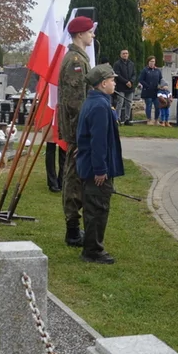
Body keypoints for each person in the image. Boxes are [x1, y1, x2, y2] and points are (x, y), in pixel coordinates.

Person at [76, 64, 124, 265]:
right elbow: (98, 141)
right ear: (103, 83)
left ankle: (91, 245)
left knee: (93, 207)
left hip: (90, 163)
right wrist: (101, 170)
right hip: (95, 167)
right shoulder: (99, 106)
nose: (114, 82)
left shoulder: (96, 101)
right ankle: (93, 250)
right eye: (112, 80)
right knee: (98, 208)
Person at [57, 16, 94, 247]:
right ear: (79, 34)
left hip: (79, 128)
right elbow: (75, 101)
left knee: (77, 176)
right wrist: (82, 133)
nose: (93, 35)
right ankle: (72, 230)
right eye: (90, 32)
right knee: (73, 178)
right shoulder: (74, 61)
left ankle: (75, 227)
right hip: (76, 130)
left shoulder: (79, 57)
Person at [112, 49, 137, 125]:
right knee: (120, 102)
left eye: (126, 53)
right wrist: (126, 82)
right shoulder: (117, 64)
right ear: (120, 55)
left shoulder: (131, 64)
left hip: (130, 87)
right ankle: (117, 119)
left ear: (128, 54)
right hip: (121, 87)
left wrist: (131, 82)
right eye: (123, 53)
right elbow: (117, 75)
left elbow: (134, 74)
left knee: (128, 103)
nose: (125, 55)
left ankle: (127, 119)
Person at [139, 56, 163, 125]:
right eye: (151, 61)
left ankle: (156, 120)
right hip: (147, 91)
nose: (152, 63)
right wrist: (147, 86)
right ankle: (149, 119)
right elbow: (141, 80)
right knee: (148, 105)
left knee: (157, 106)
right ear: (148, 62)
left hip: (156, 91)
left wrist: (160, 85)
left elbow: (161, 79)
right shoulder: (145, 70)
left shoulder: (158, 70)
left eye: (153, 61)